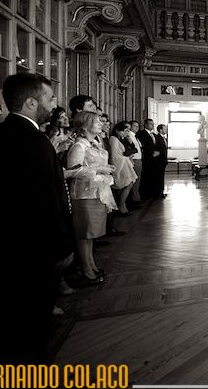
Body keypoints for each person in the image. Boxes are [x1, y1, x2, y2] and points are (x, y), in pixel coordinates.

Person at [0, 73, 75, 362]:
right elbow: (42, 200)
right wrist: (61, 246)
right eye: (49, 98)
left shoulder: (7, 134)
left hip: (15, 247)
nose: (54, 104)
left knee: (18, 323)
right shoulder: (30, 139)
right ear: (32, 102)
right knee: (29, 325)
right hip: (32, 251)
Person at [66, 111, 117, 285]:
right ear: (86, 125)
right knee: (84, 233)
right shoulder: (79, 146)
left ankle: (92, 265)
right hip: (83, 194)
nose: (100, 124)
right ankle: (86, 269)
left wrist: (105, 167)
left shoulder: (94, 142)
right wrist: (100, 170)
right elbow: (73, 170)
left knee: (91, 233)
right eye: (96, 122)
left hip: (97, 191)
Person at [109, 121, 137, 215]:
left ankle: (122, 205)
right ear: (117, 131)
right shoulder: (113, 139)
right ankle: (121, 206)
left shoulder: (121, 139)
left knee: (129, 184)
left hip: (125, 163)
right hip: (120, 165)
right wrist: (126, 157)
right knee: (127, 185)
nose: (125, 133)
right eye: (124, 131)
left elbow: (133, 149)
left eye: (127, 131)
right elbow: (114, 155)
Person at [136, 118, 159, 199]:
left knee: (153, 177)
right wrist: (151, 153)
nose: (152, 125)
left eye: (153, 124)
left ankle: (152, 193)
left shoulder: (154, 135)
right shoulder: (141, 134)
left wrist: (157, 152)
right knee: (146, 177)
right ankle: (145, 194)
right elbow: (142, 147)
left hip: (154, 160)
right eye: (150, 124)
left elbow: (156, 146)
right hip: (146, 159)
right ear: (145, 125)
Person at [127, 120, 144, 208]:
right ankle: (134, 200)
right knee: (134, 181)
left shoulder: (135, 136)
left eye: (138, 126)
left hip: (138, 160)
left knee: (137, 180)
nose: (137, 128)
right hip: (134, 160)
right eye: (135, 126)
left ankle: (136, 198)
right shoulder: (129, 136)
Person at [154, 124, 169, 198]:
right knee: (159, 177)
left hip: (163, 161)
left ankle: (161, 192)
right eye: (165, 129)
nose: (166, 130)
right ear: (160, 130)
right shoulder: (157, 138)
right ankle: (158, 193)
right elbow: (157, 149)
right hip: (159, 161)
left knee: (161, 177)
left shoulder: (164, 138)